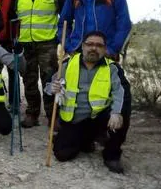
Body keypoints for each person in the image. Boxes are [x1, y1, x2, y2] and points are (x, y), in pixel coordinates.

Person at [58, 0, 132, 168]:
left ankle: (112, 153)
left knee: (121, 94)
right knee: (71, 90)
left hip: (105, 52)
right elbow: (63, 23)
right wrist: (70, 45)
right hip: (79, 52)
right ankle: (80, 132)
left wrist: (112, 49)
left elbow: (124, 22)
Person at [50, 31, 126, 173]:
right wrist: (53, 88)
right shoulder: (67, 64)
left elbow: (118, 92)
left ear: (104, 49)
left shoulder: (111, 68)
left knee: (122, 115)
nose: (93, 48)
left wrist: (116, 112)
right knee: (62, 155)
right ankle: (82, 140)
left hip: (98, 118)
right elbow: (50, 86)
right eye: (90, 44)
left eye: (99, 45)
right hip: (74, 119)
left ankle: (112, 154)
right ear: (83, 46)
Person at [13, 0, 66, 128]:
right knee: (29, 80)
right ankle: (32, 114)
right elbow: (14, 20)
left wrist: (59, 38)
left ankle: (53, 116)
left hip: (47, 44)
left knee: (49, 80)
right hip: (26, 44)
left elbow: (65, 17)